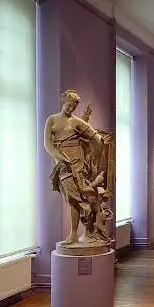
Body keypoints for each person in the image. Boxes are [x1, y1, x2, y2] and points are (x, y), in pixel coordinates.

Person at [44, 90, 110, 245]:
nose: (71, 109)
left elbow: (93, 134)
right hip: (62, 163)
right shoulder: (52, 119)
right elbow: (47, 144)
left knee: (75, 197)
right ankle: (81, 225)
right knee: (71, 196)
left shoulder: (76, 122)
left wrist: (102, 140)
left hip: (77, 162)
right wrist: (59, 157)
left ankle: (77, 233)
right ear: (63, 102)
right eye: (69, 105)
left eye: (74, 107)